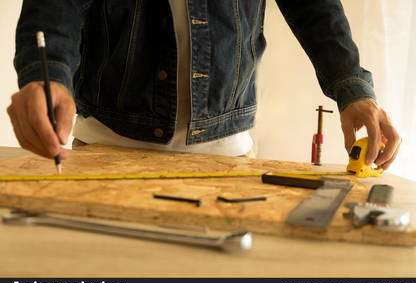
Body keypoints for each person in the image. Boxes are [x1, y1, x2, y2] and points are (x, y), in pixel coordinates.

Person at [8, 0, 401, 169]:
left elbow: (314, 8)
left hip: (224, 158)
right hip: (106, 144)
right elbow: (55, 7)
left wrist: (351, 86)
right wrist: (47, 75)